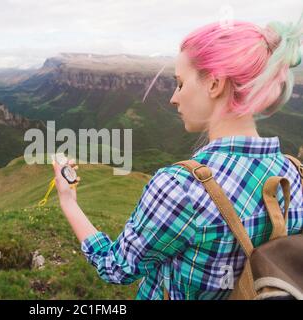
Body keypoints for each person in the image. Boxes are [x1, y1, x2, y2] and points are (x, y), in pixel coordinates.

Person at [52, 13, 303, 300]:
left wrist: (68, 201)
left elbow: (116, 268)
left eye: (181, 83)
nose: (173, 97)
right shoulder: (296, 176)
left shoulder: (181, 188)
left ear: (214, 84)